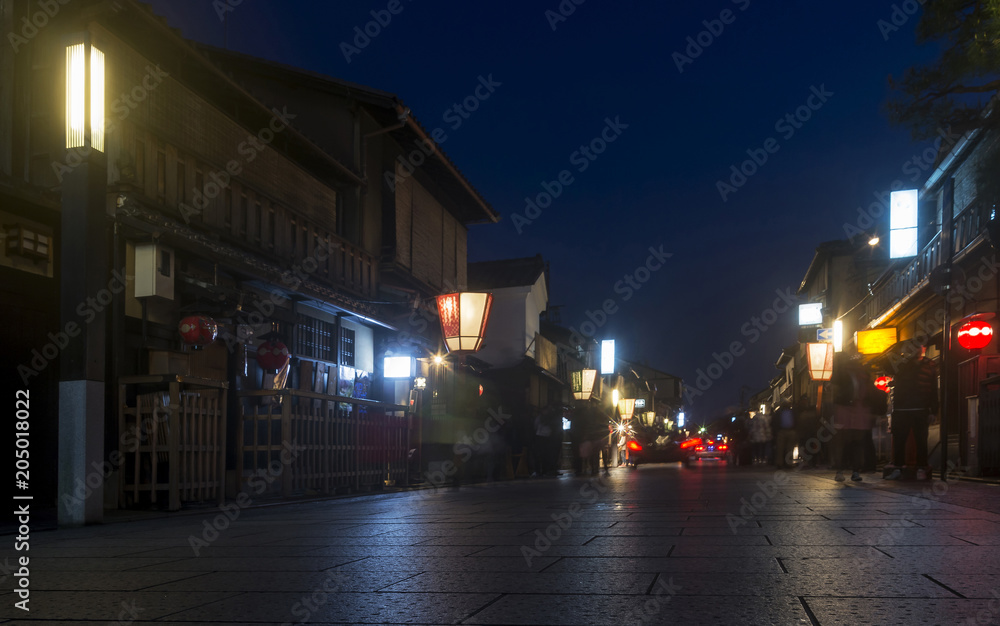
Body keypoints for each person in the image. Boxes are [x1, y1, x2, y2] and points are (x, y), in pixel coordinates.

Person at [886, 347, 938, 480]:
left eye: (918, 347)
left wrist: (933, 410)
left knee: (921, 441)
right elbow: (887, 366)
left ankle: (921, 467)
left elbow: (933, 389)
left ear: (923, 349)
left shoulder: (930, 365)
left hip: (920, 408)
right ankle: (899, 467)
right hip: (902, 409)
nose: (916, 350)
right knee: (899, 440)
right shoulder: (902, 363)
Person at [830, 348, 878, 482]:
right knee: (844, 442)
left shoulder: (862, 373)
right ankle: (842, 470)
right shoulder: (841, 374)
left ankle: (854, 470)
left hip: (859, 410)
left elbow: (870, 392)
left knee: (856, 442)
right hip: (846, 409)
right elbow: (835, 392)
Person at [796, 394, 820, 469]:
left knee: (810, 448)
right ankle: (807, 462)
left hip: (810, 432)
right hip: (805, 433)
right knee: (805, 448)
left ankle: (811, 462)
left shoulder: (809, 410)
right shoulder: (799, 410)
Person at [773, 400, 798, 469]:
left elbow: (796, 420)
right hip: (782, 431)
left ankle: (788, 463)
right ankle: (780, 463)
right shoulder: (779, 412)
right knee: (780, 448)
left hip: (790, 430)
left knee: (789, 448)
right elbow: (775, 422)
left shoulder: (792, 412)